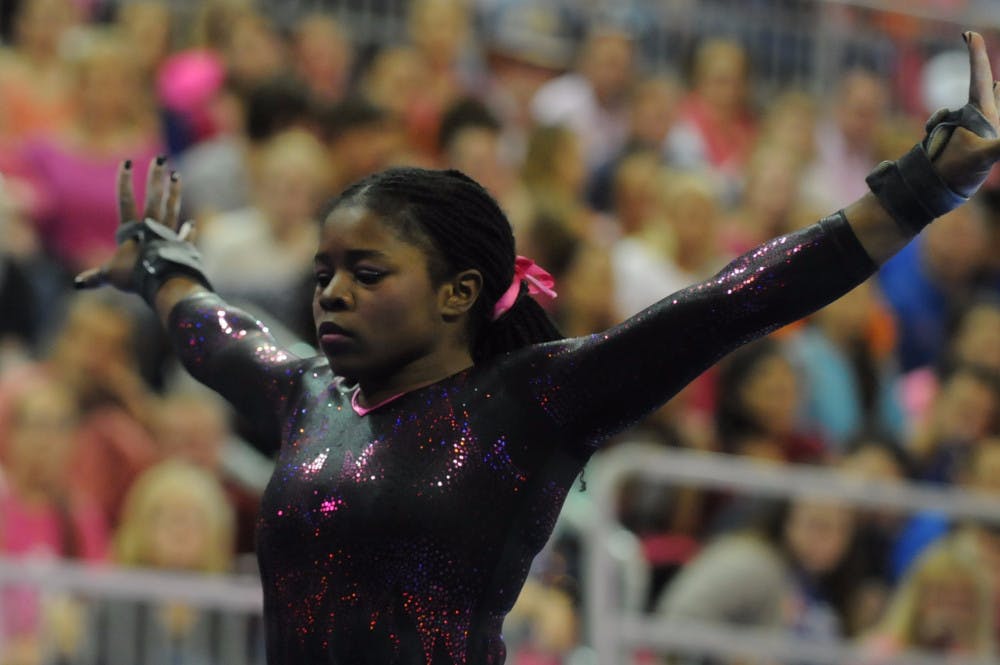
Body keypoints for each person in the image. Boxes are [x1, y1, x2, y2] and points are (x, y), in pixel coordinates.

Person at [73, 32, 1000, 665]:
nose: (333, 293)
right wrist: (160, 266)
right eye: (323, 273)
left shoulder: (533, 400)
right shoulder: (311, 397)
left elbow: (726, 304)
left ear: (457, 294)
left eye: (366, 271)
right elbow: (215, 331)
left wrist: (918, 190)